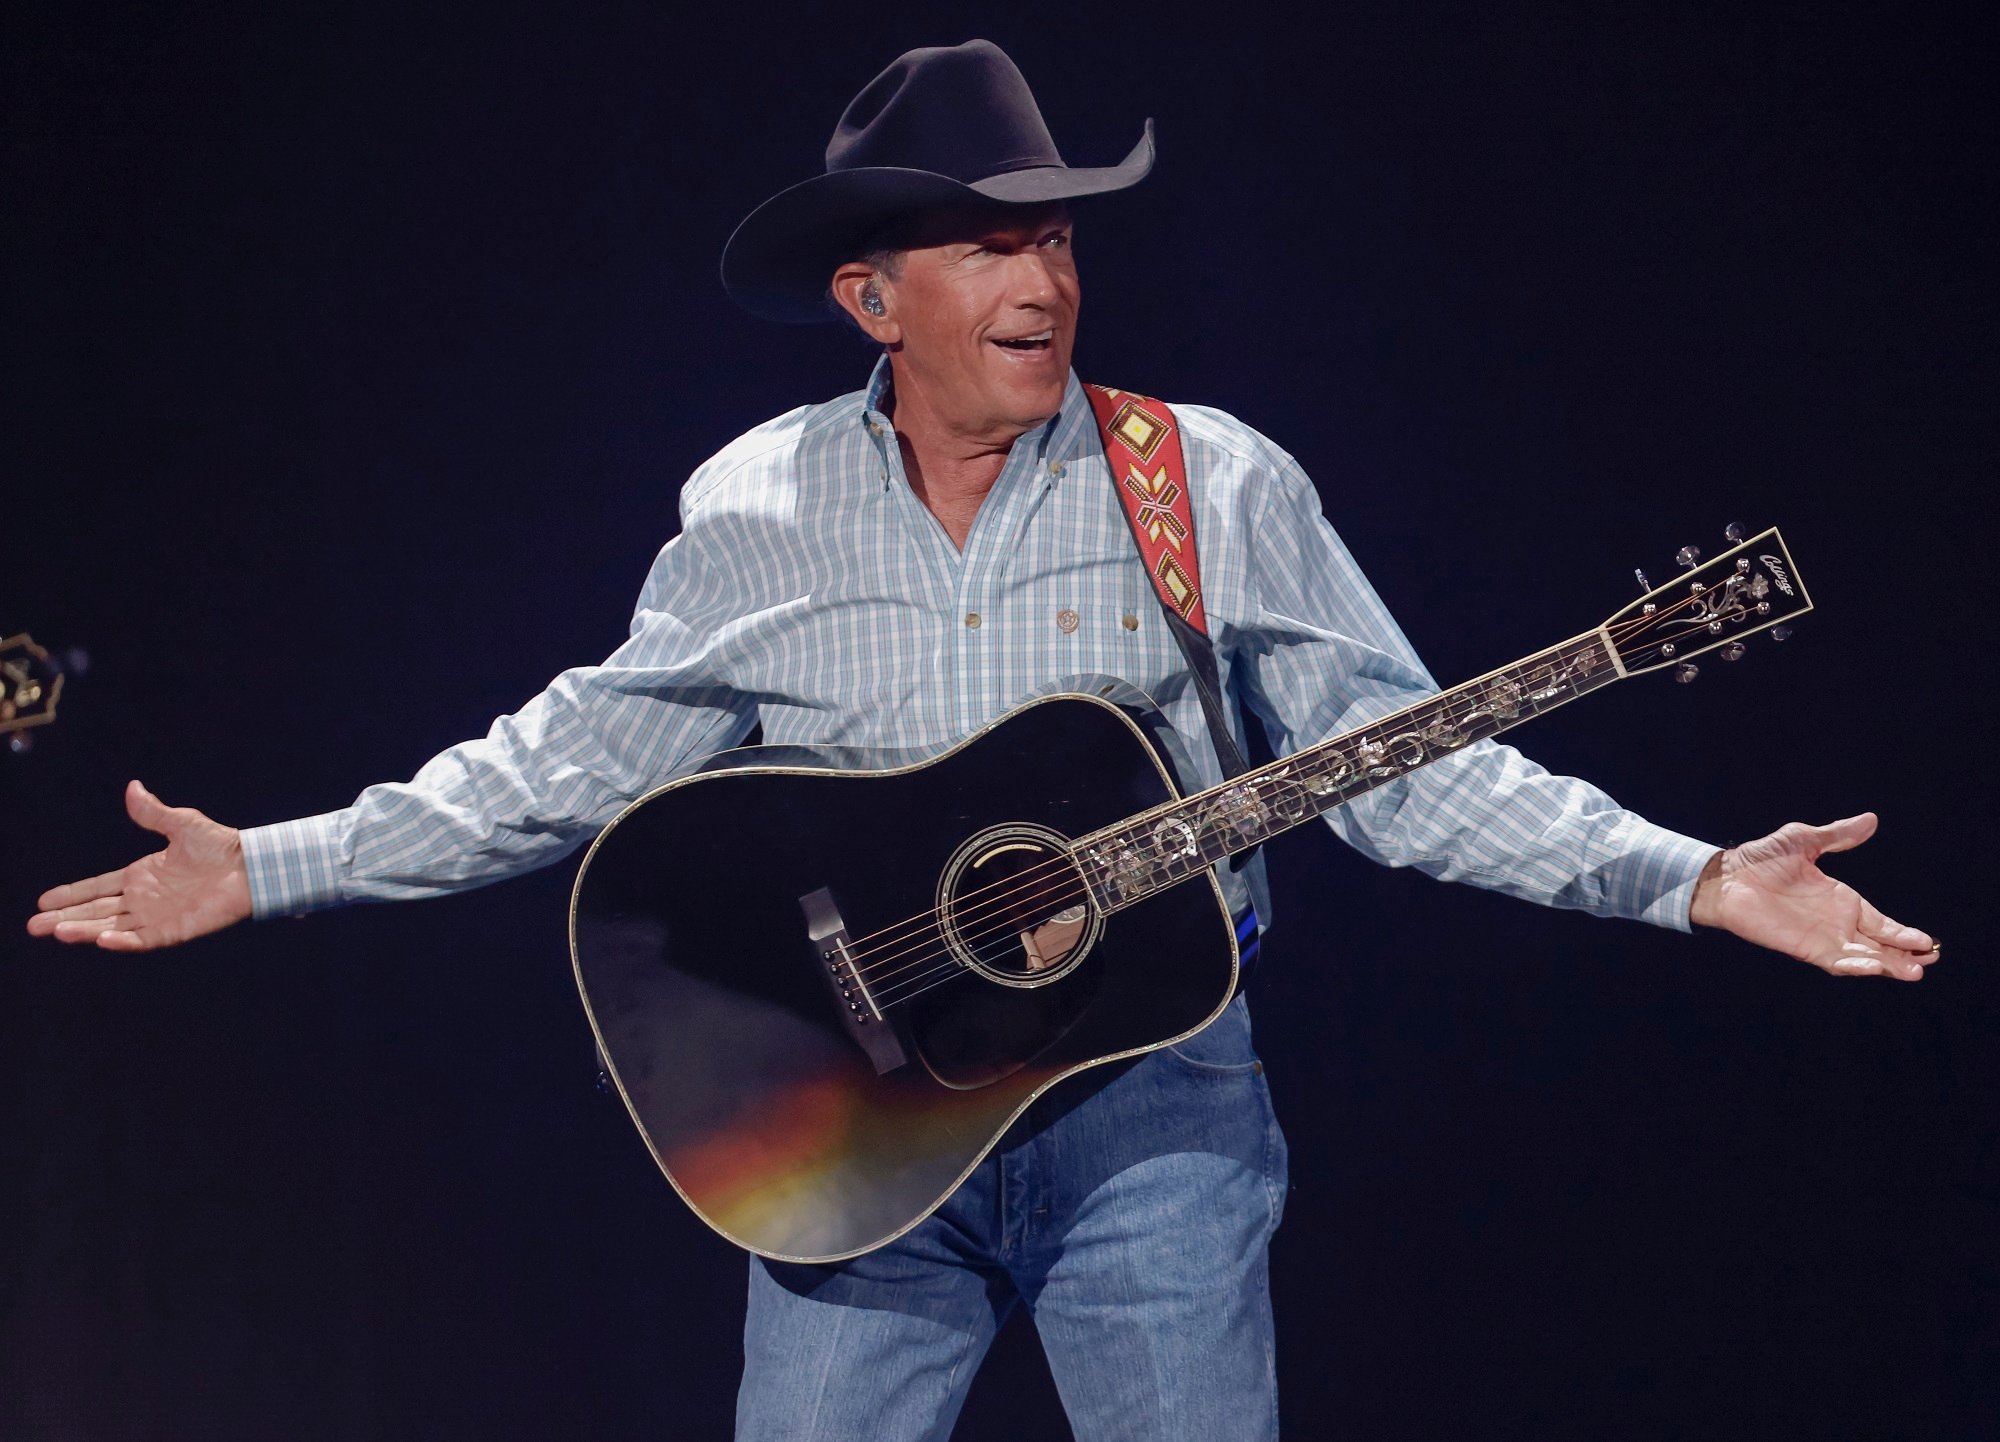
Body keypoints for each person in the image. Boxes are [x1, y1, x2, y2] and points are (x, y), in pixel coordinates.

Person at [28, 39, 1936, 1442]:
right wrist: (271, 863)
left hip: (1154, 1126)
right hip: (850, 1140)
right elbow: (569, 759)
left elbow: (1409, 760)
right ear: (874, 295)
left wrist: (1686, 876)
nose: (1040, 280)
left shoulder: (1208, 480)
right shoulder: (757, 502)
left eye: (1057, 241)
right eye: (983, 247)